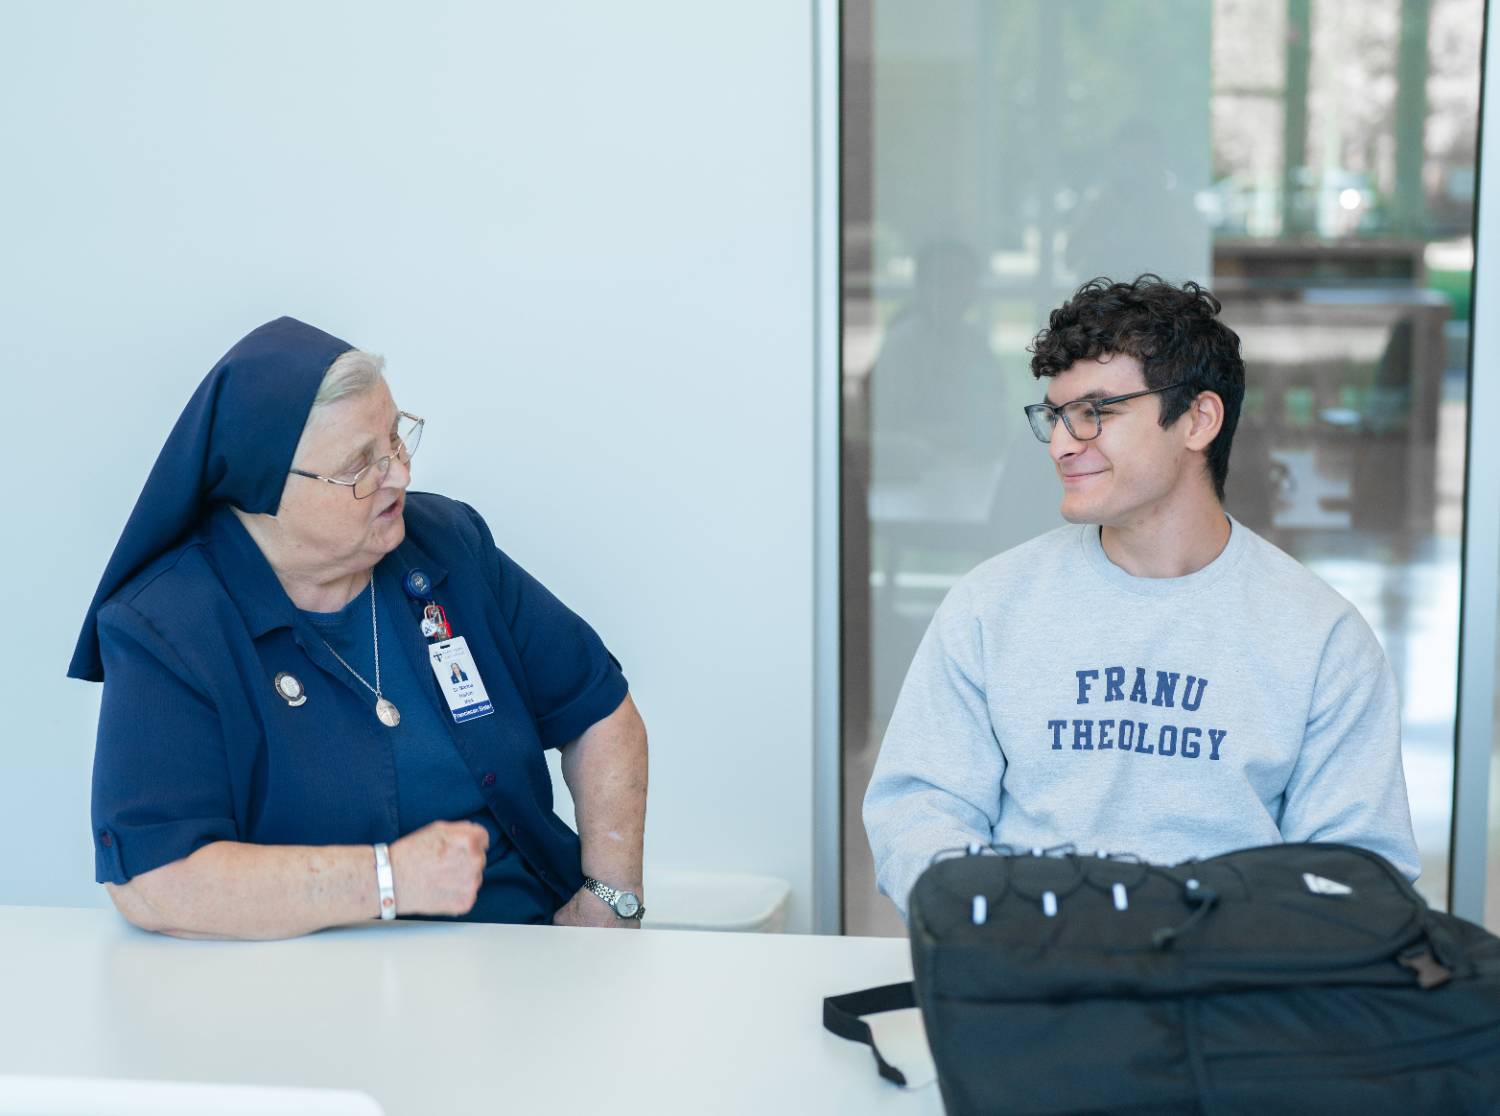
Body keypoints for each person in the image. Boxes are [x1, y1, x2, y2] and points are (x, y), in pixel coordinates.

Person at [70, 317, 648, 939]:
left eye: (396, 440)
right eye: (359, 466)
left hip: (520, 955)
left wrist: (608, 901)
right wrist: (388, 880)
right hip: (300, 994)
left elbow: (598, 708)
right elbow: (156, 882)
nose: (398, 473)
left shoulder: (447, 545)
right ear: (263, 488)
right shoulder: (166, 626)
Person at [863, 276, 1419, 919]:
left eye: (1096, 412)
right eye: (1056, 415)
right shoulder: (990, 606)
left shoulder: (1320, 635)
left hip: (1228, 994)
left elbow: (1359, 870)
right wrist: (1001, 922)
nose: (1065, 443)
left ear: (1197, 420)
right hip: (1029, 976)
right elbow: (918, 809)